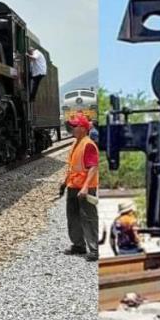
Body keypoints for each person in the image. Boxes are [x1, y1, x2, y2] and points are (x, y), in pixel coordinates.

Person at [62, 112, 99, 261]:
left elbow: (93, 167)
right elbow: (72, 167)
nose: (72, 129)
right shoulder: (75, 143)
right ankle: (78, 245)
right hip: (73, 186)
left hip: (84, 187)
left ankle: (95, 249)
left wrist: (85, 187)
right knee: (73, 217)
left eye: (75, 126)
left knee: (88, 218)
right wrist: (64, 182)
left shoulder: (88, 144)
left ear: (83, 128)